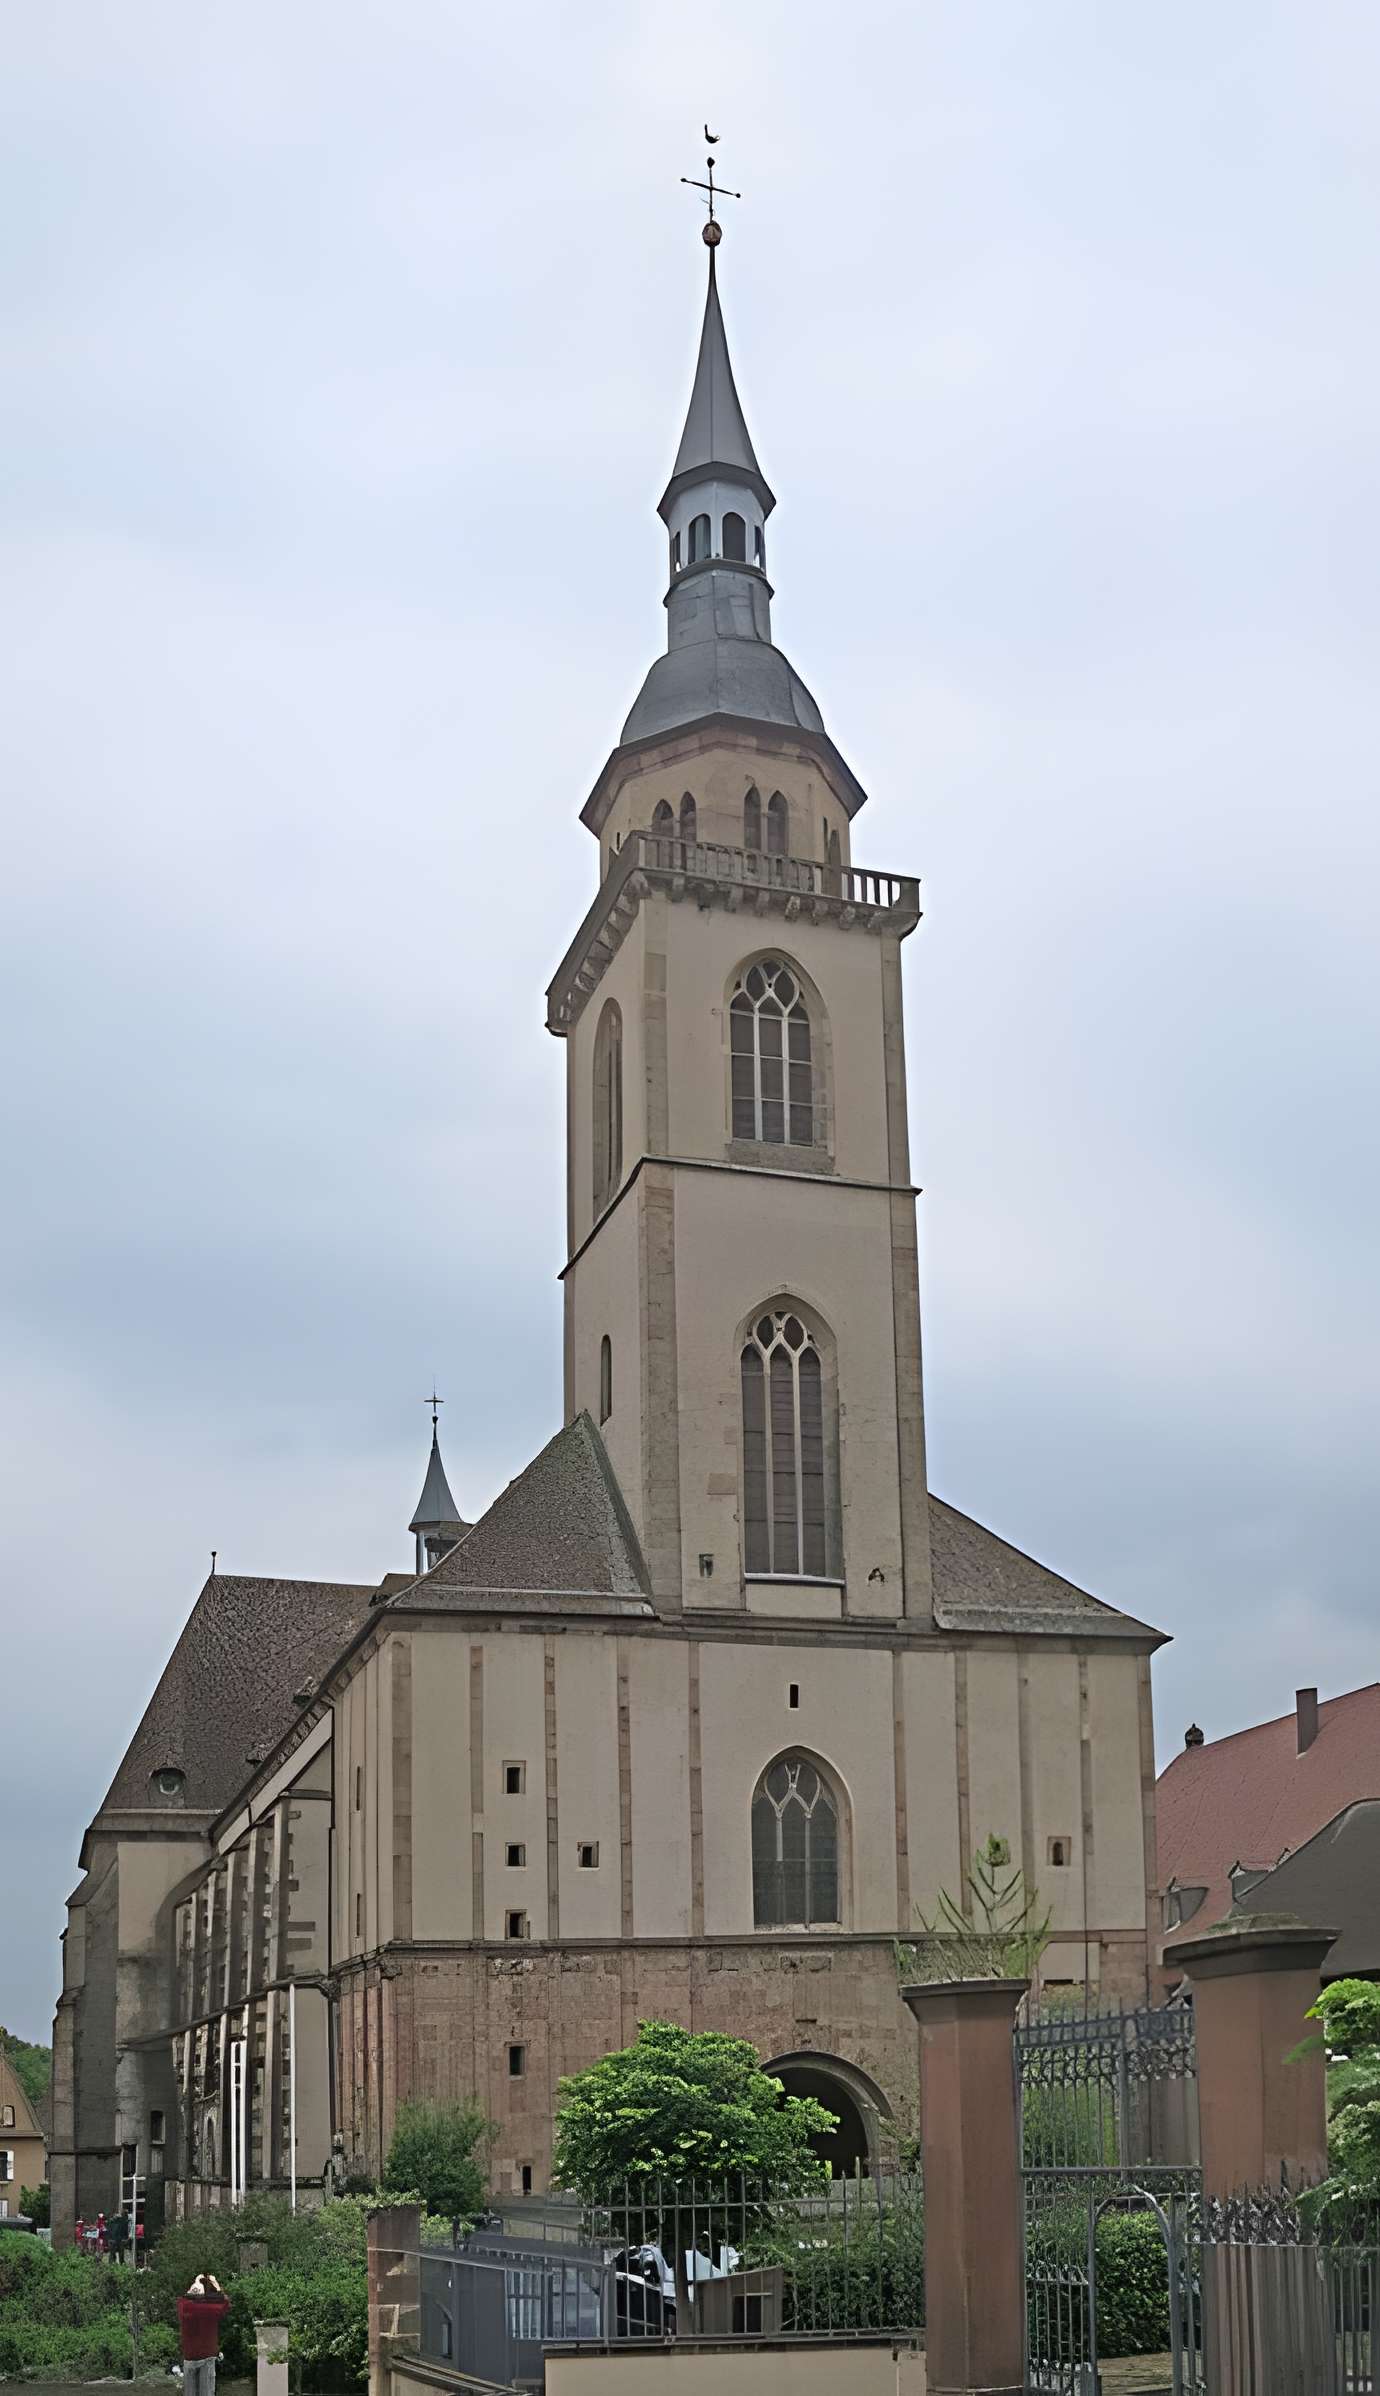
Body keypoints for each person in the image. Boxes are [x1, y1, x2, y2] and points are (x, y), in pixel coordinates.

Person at [177, 2274, 230, 2396]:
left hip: (189, 2358)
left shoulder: (184, 2307)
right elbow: (225, 2301)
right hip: (207, 2356)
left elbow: (183, 2299)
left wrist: (195, 2282)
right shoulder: (211, 2308)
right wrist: (214, 2282)